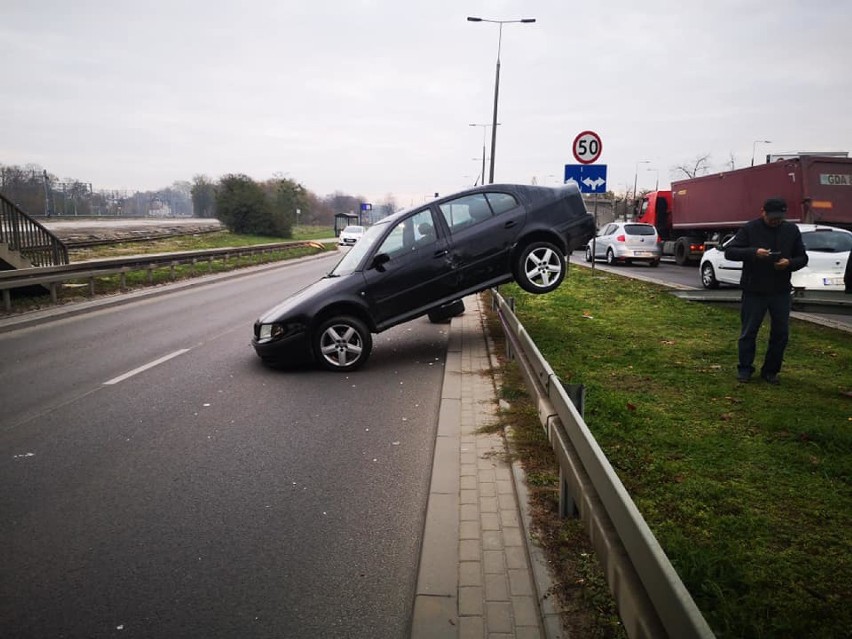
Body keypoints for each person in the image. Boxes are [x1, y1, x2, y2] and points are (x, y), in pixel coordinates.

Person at [724, 197, 808, 384]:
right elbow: (730, 251)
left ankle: (771, 371)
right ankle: (745, 369)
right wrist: (754, 253)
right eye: (772, 218)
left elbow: (802, 257)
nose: (775, 221)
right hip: (754, 289)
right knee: (749, 332)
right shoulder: (750, 228)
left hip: (780, 290)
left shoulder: (791, 230)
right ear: (763, 212)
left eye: (779, 218)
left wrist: (789, 263)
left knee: (780, 333)